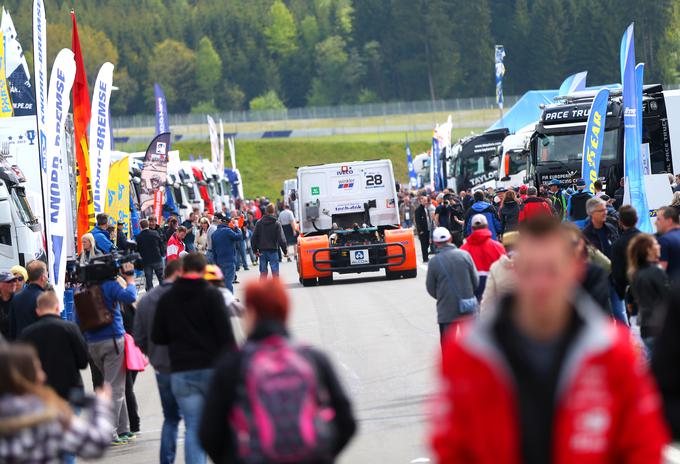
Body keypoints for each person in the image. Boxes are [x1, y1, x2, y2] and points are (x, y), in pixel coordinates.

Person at [431, 216, 670, 464]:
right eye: (530, 270)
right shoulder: (468, 355)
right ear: (515, 270)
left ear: (573, 270)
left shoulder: (612, 352)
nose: (540, 283)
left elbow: (643, 445)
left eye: (551, 270)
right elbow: (451, 449)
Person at [199, 278, 357, 464]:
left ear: (252, 313)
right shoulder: (313, 358)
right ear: (286, 311)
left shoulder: (233, 363)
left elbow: (209, 433)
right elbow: (347, 422)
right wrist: (323, 454)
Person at [152, 253, 236, 464]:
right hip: (211, 369)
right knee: (220, 423)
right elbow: (226, 337)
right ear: (202, 271)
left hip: (181, 370)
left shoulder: (167, 298)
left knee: (193, 426)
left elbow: (158, 336)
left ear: (183, 270)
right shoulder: (212, 295)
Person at [0, 344, 115, 463]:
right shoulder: (47, 416)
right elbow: (96, 444)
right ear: (24, 377)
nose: (43, 376)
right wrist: (102, 404)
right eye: (37, 370)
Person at [82, 261, 137, 445]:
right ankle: (110, 431)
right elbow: (129, 297)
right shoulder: (110, 286)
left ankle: (123, 429)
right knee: (116, 388)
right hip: (112, 339)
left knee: (112, 383)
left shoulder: (83, 290)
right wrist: (129, 279)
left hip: (93, 343)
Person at [134, 259, 183, 464]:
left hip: (162, 365)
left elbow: (138, 337)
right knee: (194, 418)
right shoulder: (185, 296)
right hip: (187, 364)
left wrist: (152, 354)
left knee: (170, 418)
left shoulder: (146, 300)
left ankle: (167, 460)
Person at [20, 290, 88, 401]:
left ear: (38, 311)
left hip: (42, 393)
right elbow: (83, 361)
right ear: (57, 308)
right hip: (71, 390)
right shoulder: (71, 328)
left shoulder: (27, 333)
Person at [426, 227, 479, 344]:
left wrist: (442, 295)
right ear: (450, 239)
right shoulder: (465, 255)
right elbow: (475, 281)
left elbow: (430, 288)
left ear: (435, 242)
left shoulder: (434, 262)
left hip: (446, 311)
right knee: (472, 346)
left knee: (448, 346)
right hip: (467, 308)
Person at [627, 234, 669, 356]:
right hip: (660, 328)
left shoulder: (635, 272)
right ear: (648, 250)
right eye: (655, 244)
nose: (659, 246)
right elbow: (667, 298)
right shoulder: (656, 271)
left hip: (645, 328)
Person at [460, 214, 506, 300]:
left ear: (472, 228)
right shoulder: (497, 247)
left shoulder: (463, 250)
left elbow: (459, 277)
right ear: (487, 226)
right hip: (493, 296)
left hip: (471, 295)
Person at [9, 260, 48, 340]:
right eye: (46, 273)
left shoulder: (16, 298)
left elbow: (12, 329)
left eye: (19, 278)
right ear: (43, 277)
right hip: (39, 347)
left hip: (21, 347)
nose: (16, 282)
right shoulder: (45, 298)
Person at [480, 231, 519, 313]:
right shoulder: (531, 265)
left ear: (504, 247)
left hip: (502, 316)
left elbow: (488, 299)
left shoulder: (496, 267)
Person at [610, 205, 641, 304]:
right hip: (647, 286)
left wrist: (622, 294)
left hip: (629, 288)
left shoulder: (617, 245)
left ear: (620, 222)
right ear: (636, 219)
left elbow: (617, 273)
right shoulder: (647, 240)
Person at [252, 204, 288, 278]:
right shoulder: (276, 223)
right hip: (273, 250)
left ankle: (262, 288)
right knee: (275, 273)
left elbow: (254, 237)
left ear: (266, 211)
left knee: (263, 273)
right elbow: (281, 239)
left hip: (262, 250)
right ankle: (275, 288)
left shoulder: (259, 223)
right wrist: (285, 251)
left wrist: (255, 250)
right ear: (274, 212)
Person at [212, 213, 243, 293]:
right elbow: (239, 237)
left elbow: (213, 250)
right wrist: (237, 227)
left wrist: (216, 262)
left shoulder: (214, 234)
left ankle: (224, 298)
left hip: (219, 261)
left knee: (223, 282)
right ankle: (229, 298)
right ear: (227, 222)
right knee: (228, 281)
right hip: (229, 260)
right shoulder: (227, 231)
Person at [136, 218, 165, 290]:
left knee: (149, 279)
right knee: (161, 277)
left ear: (140, 226)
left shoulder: (139, 237)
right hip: (157, 258)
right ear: (148, 225)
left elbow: (138, 249)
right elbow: (161, 244)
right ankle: (164, 292)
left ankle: (150, 295)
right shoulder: (155, 233)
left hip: (146, 261)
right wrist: (162, 254)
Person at [656, 206, 680, 280]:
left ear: (669, 221)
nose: (656, 223)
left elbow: (661, 271)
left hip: (673, 287)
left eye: (658, 219)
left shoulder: (664, 240)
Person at [0, 272, 17, 339]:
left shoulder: (19, 300)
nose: (13, 283)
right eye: (9, 281)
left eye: (14, 280)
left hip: (16, 343)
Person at [415, 195, 432, 262]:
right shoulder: (418, 210)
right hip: (422, 230)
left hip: (427, 229)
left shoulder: (426, 208)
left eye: (426, 200)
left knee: (427, 243)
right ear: (421, 201)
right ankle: (425, 258)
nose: (425, 202)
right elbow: (417, 221)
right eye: (424, 200)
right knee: (423, 244)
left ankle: (426, 256)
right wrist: (420, 230)